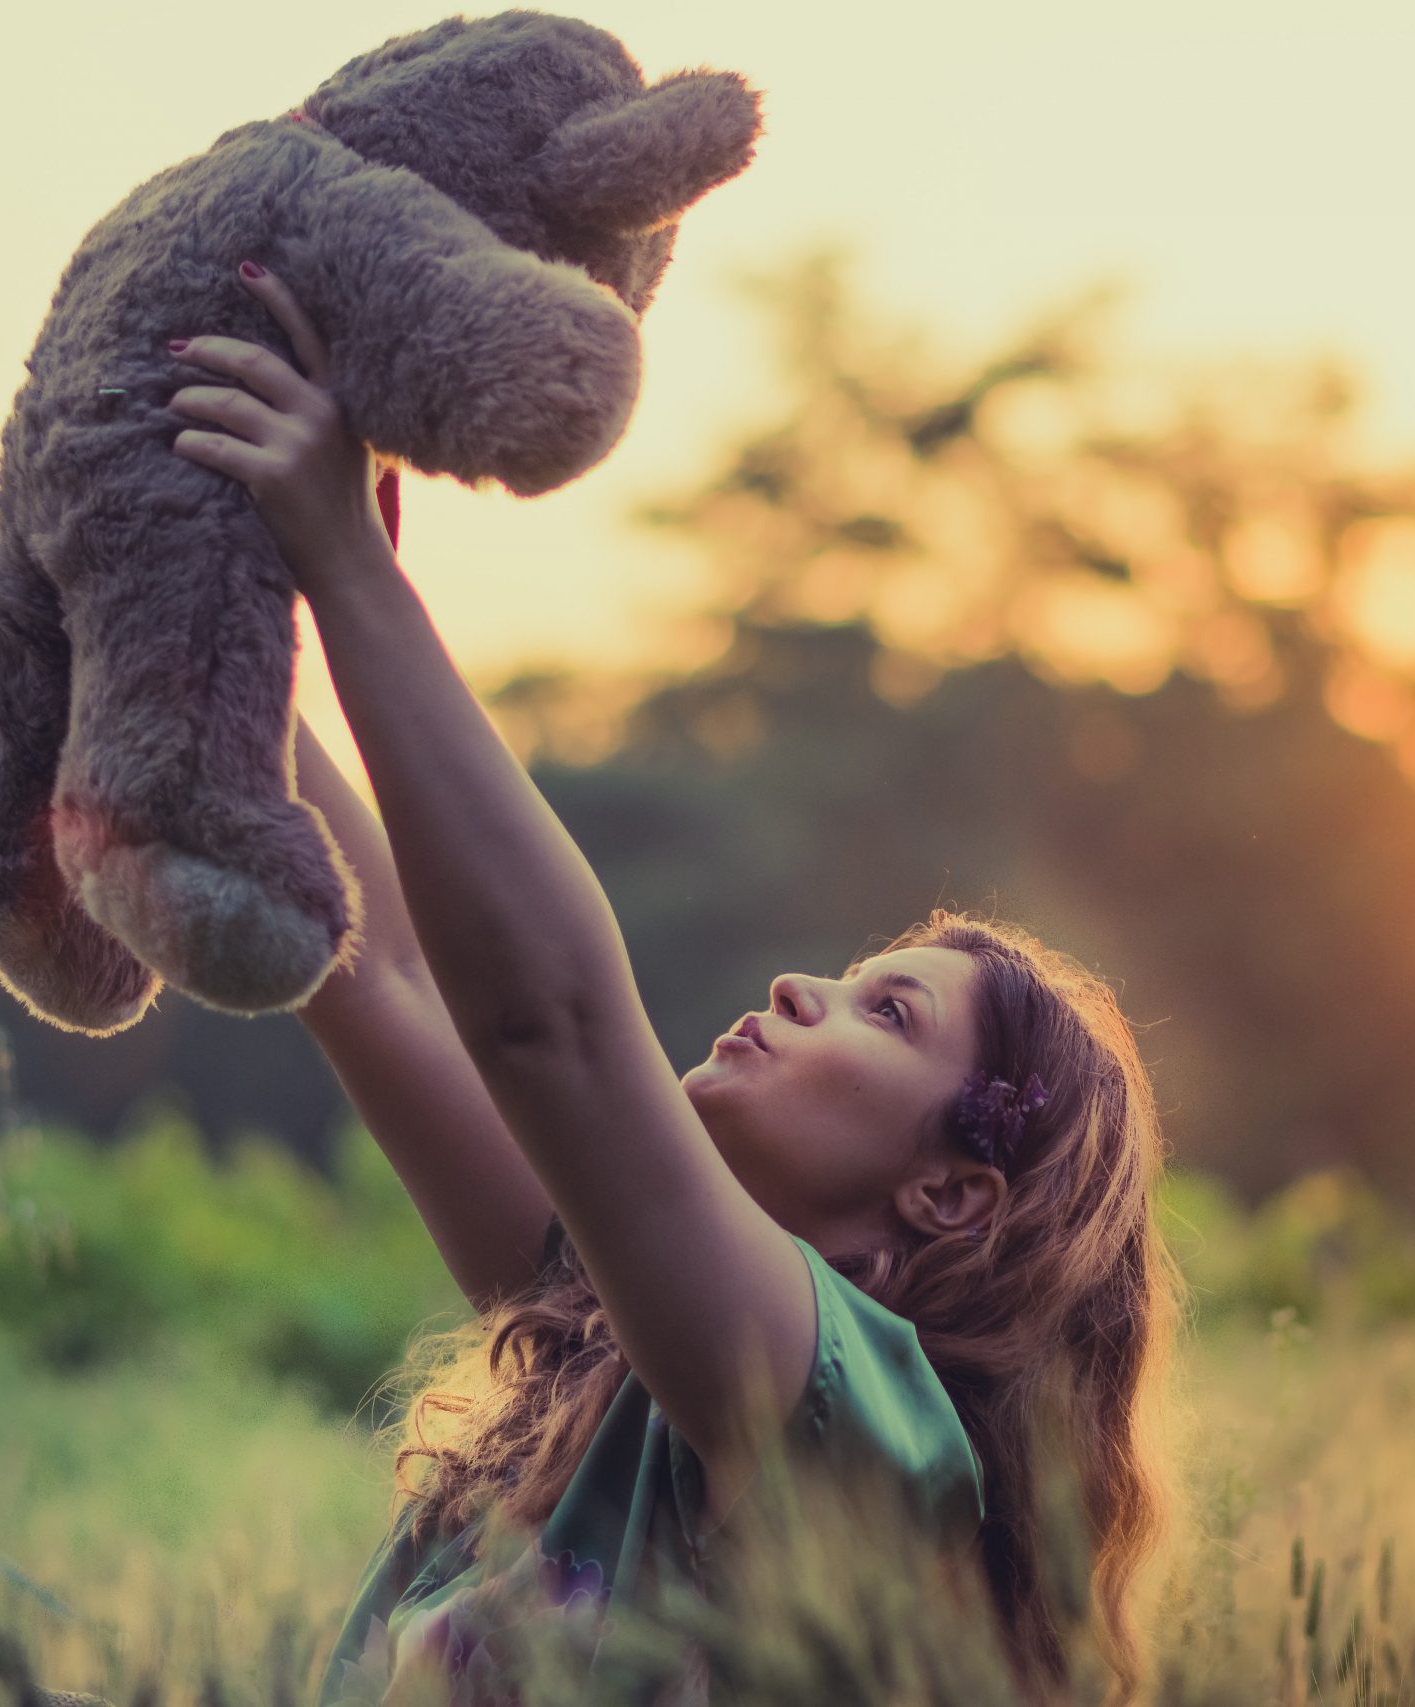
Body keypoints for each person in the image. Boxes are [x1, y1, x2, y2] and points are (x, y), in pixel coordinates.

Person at [163, 260, 1185, 1706]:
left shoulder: (862, 1430)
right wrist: (206, 590)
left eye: (885, 1011)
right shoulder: (602, 1321)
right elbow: (374, 963)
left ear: (953, 1195)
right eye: (849, 976)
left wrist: (353, 572)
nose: (796, 989)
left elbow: (552, 1031)